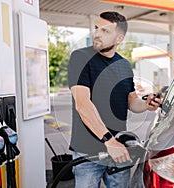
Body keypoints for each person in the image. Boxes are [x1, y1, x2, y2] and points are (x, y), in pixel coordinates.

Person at [67, 11, 161, 188]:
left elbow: (132, 100)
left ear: (119, 39)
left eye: (105, 31)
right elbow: (83, 104)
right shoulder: (80, 58)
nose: (97, 34)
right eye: (97, 28)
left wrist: (147, 104)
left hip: (119, 151)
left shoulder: (124, 65)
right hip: (88, 153)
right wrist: (109, 141)